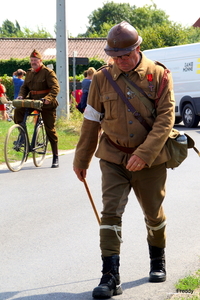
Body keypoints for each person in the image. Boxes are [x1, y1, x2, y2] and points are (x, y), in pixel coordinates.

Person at [73, 21, 175, 299]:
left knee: (153, 214)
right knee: (110, 213)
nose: (120, 61)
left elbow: (166, 118)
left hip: (150, 161)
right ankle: (110, 275)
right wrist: (81, 159)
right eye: (115, 56)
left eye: (125, 56)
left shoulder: (160, 75)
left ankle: (157, 260)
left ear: (138, 48)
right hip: (113, 158)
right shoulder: (101, 79)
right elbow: (92, 120)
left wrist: (143, 154)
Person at [14, 49, 60, 168]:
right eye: (32, 60)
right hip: (33, 101)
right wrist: (21, 96)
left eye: (35, 60)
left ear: (40, 61)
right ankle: (22, 135)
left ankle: (55, 156)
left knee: (50, 129)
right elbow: (24, 87)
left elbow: (55, 87)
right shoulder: (29, 72)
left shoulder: (48, 72)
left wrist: (48, 98)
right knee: (18, 110)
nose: (33, 62)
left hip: (46, 104)